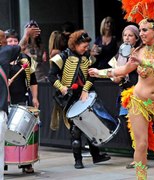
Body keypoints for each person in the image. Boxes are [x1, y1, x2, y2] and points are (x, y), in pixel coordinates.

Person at [89, 1, 154, 178]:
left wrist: (142, 62)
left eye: (145, 29)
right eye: (140, 29)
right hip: (139, 103)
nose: (141, 33)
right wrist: (99, 72)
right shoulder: (137, 51)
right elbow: (121, 70)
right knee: (141, 145)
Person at [48, 30, 111, 169]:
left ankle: (96, 156)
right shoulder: (62, 57)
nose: (86, 48)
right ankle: (78, 160)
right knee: (75, 130)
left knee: (90, 125)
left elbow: (91, 76)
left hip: (83, 95)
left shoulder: (87, 57)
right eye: (84, 45)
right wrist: (62, 87)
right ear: (75, 44)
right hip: (69, 97)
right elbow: (51, 76)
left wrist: (85, 90)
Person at [0, 26, 40, 180]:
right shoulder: (4, 52)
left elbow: (33, 79)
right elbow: (21, 45)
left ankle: (25, 163)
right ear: (3, 43)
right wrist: (27, 34)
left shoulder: (22, 60)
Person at [110, 25, 141, 169]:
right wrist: (114, 75)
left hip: (138, 92)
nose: (127, 38)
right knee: (126, 124)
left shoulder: (140, 52)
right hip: (124, 93)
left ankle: (140, 157)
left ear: (136, 38)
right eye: (125, 35)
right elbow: (116, 77)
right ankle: (136, 154)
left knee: (138, 126)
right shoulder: (120, 53)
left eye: (130, 35)